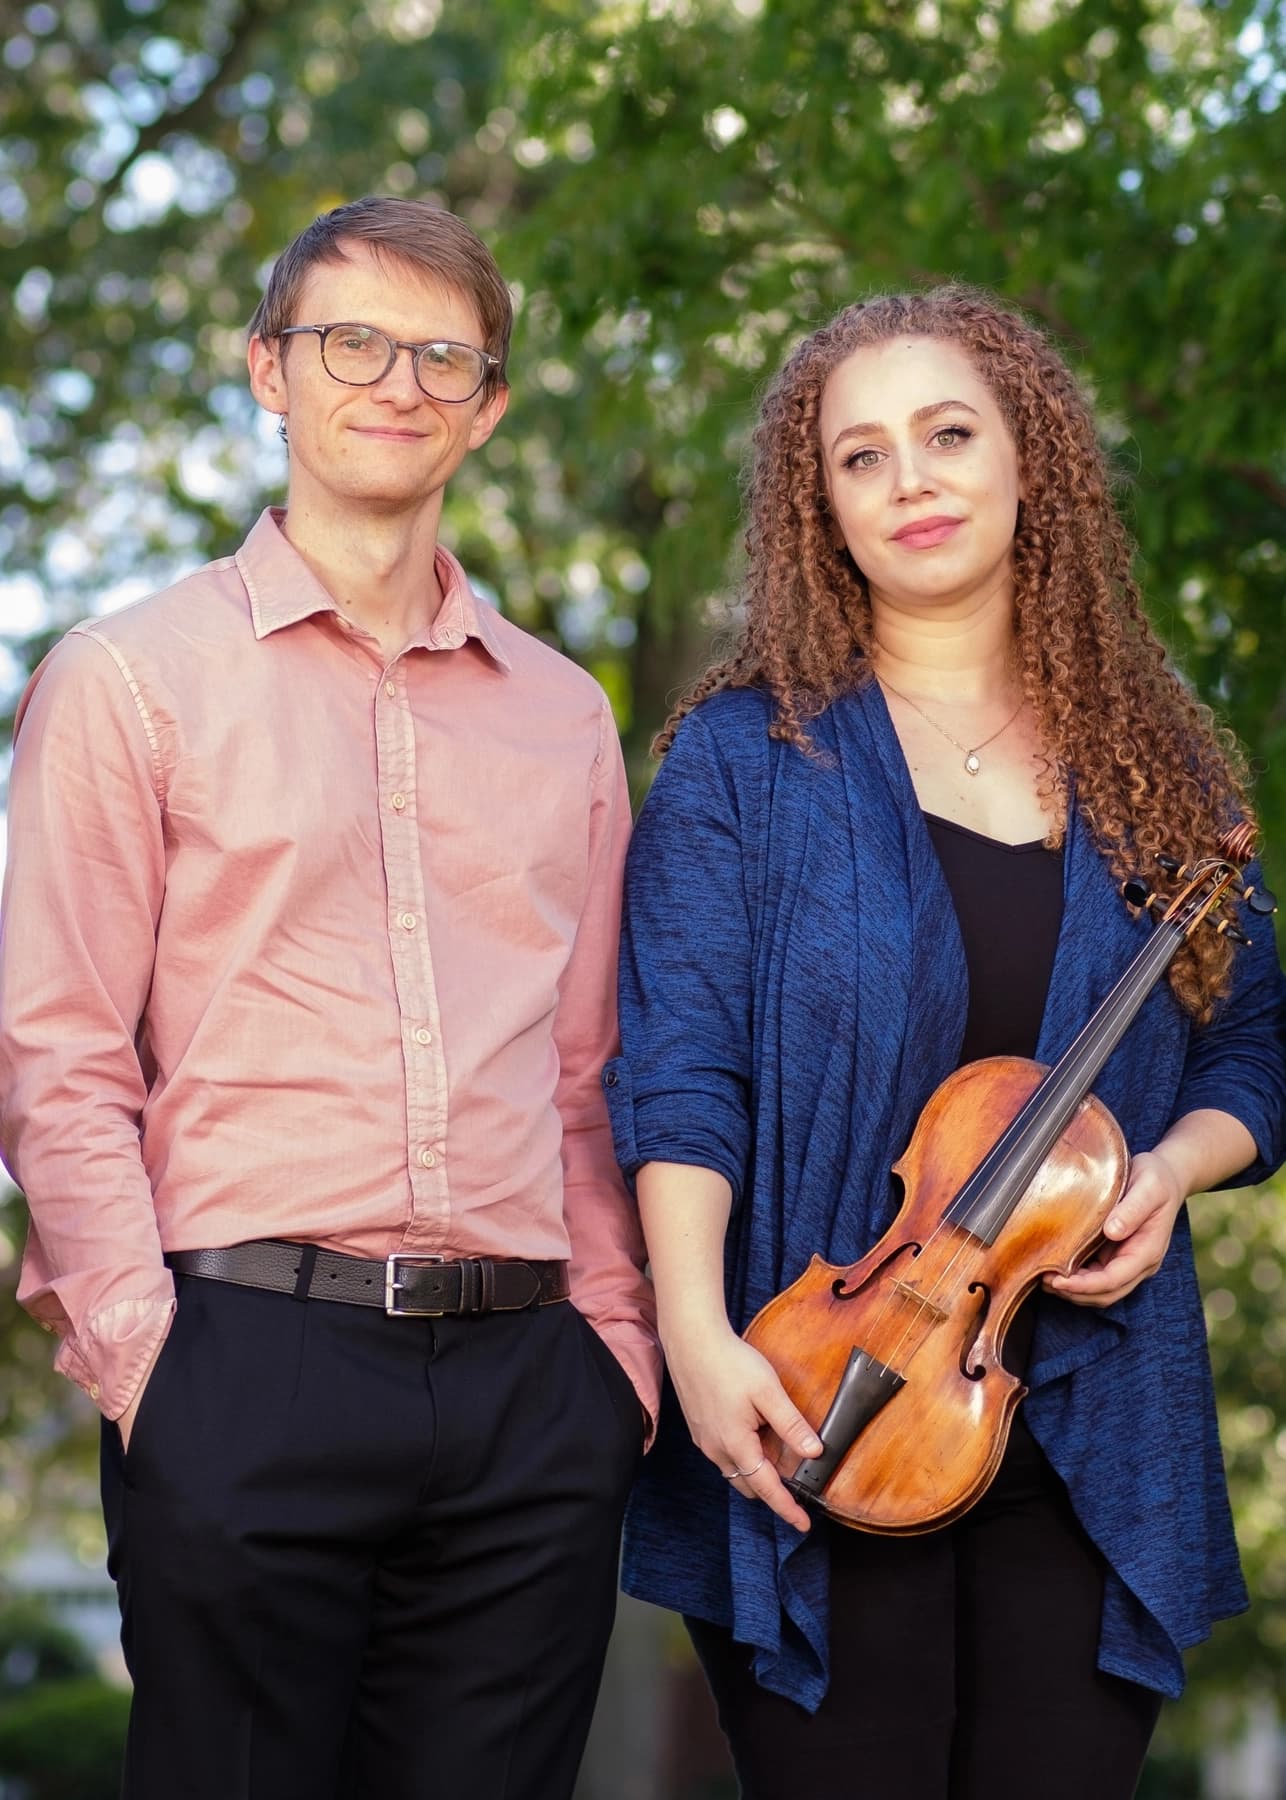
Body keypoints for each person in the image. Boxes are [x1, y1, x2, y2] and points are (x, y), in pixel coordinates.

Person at [0, 196, 659, 1800]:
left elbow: (586, 1079)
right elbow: (59, 1054)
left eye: (445, 356)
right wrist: (153, 1361)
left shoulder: (564, 718)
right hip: (242, 1360)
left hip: (527, 1390)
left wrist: (615, 1362)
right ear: (268, 373)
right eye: (349, 341)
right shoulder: (129, 677)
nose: (398, 382)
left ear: (489, 406)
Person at [602, 286, 1286, 1799]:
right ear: (818, 509)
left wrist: (1166, 1166)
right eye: (860, 455)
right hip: (820, 1404)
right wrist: (697, 1339)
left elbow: (1256, 1043)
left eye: (946, 433)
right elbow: (676, 1071)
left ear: (1025, 462)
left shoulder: (1148, 765)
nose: (908, 479)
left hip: (1091, 1422)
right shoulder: (746, 757)